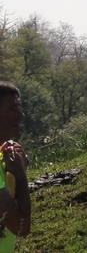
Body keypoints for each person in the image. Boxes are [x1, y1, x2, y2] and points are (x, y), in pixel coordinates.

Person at [1, 83, 30, 253]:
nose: (20, 114)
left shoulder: (4, 156)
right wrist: (20, 176)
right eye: (12, 109)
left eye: (19, 107)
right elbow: (21, 227)